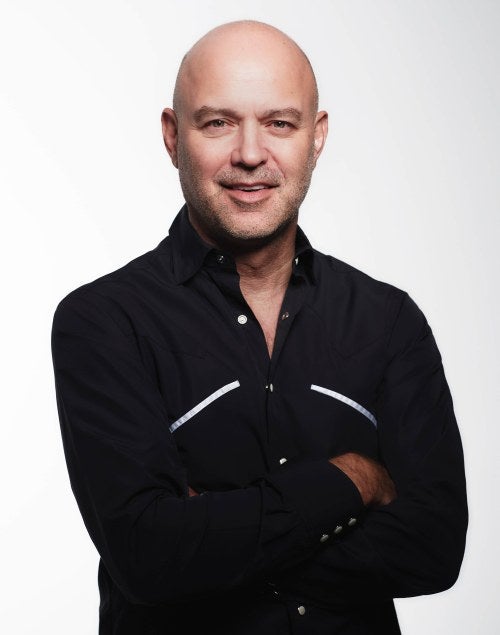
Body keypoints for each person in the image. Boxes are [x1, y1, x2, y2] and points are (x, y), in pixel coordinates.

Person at [51, 20, 467, 635]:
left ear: (316, 137)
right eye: (218, 122)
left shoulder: (388, 321)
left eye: (280, 122)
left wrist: (216, 534)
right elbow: (149, 557)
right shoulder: (104, 322)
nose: (250, 154)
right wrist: (351, 479)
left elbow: (434, 549)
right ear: (173, 136)